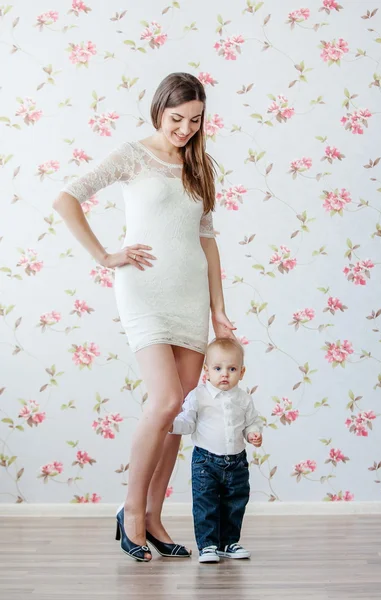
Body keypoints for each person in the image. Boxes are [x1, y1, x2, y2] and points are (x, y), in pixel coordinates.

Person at [53, 72, 236, 562]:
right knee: (166, 399)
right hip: (145, 292)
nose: (185, 129)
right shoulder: (132, 155)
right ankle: (130, 511)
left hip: (190, 294)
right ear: (159, 110)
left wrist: (218, 309)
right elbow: (67, 198)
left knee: (177, 416)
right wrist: (105, 255)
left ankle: (155, 516)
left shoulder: (200, 166)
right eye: (177, 119)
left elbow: (208, 240)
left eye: (195, 121)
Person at [169, 337, 263, 563]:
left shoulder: (243, 398)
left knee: (235, 502)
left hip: (237, 462)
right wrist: (170, 425)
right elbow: (188, 422)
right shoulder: (198, 396)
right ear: (206, 371)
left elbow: (252, 421)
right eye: (218, 368)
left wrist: (253, 432)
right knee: (206, 503)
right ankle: (208, 545)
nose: (224, 374)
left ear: (242, 372)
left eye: (232, 369)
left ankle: (229, 542)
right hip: (205, 462)